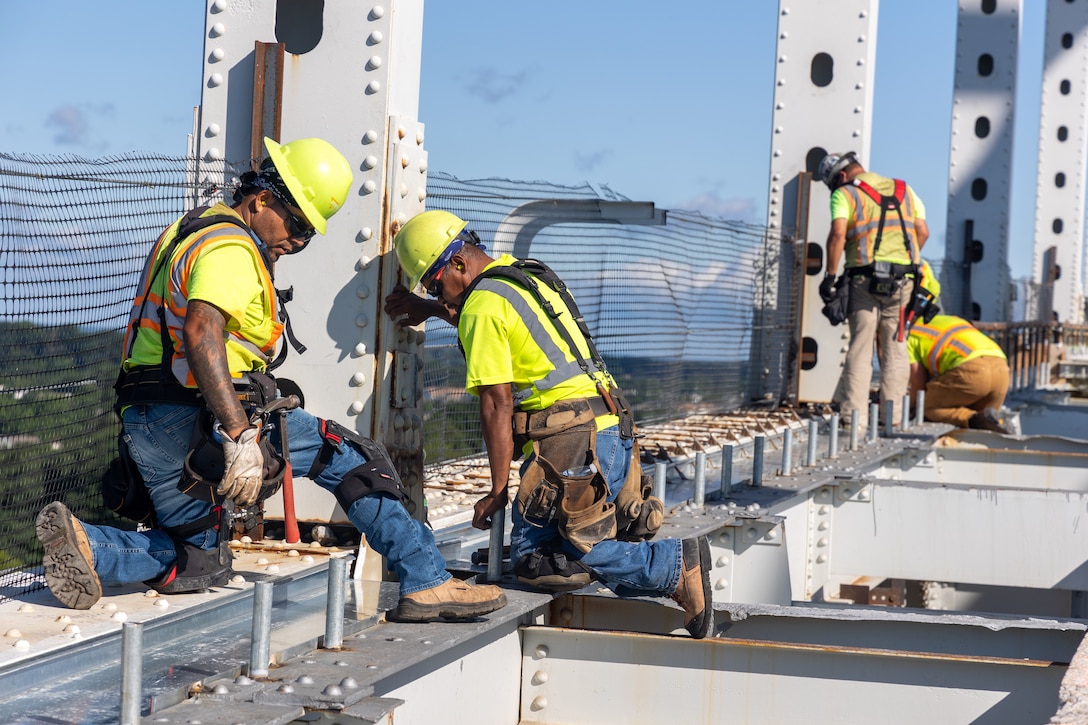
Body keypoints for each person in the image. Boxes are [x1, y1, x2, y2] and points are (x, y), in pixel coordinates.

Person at [35, 137, 506, 623]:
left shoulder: (190, 230)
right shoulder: (231, 247)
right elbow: (201, 329)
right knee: (351, 459)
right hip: (200, 420)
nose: (299, 241)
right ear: (261, 200)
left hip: (147, 423)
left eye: (309, 233)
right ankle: (428, 581)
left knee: (198, 558)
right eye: (298, 223)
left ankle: (93, 546)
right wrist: (239, 433)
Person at [384, 210, 714, 639]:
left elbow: (497, 405)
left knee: (543, 561)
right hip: (610, 429)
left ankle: (672, 566)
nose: (436, 292)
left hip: (570, 442)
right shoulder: (523, 276)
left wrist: (498, 490)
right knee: (563, 547)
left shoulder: (481, 307)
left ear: (458, 264)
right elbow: (499, 324)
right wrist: (431, 308)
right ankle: (643, 559)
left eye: (433, 283)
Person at [818, 151, 930, 433]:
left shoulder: (844, 195)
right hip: (902, 282)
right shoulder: (905, 190)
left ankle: (853, 422)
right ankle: (892, 419)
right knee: (895, 348)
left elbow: (838, 234)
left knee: (861, 347)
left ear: (841, 176)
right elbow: (923, 231)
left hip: (863, 281)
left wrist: (830, 276)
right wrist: (905, 259)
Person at [908, 313, 1011, 433]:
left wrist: (908, 407)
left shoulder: (909, 335)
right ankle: (995, 421)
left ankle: (973, 419)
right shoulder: (948, 320)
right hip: (1001, 369)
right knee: (988, 424)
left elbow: (917, 383)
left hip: (972, 370)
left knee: (927, 407)